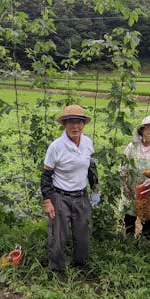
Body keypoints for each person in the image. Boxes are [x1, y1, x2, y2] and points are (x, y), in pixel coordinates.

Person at [41, 105, 100, 273]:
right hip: (60, 197)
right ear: (64, 125)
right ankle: (56, 270)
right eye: (71, 123)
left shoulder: (87, 142)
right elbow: (46, 175)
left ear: (83, 124)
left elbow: (91, 168)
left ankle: (80, 265)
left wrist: (96, 188)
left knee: (83, 234)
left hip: (81, 196)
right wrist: (48, 201)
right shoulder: (56, 147)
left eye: (79, 123)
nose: (75, 127)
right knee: (58, 235)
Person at [119, 116, 150, 237]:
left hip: (149, 192)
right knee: (129, 216)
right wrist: (125, 184)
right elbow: (123, 165)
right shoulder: (132, 146)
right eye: (147, 129)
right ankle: (128, 240)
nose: (149, 132)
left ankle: (144, 244)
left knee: (147, 218)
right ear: (142, 131)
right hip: (131, 188)